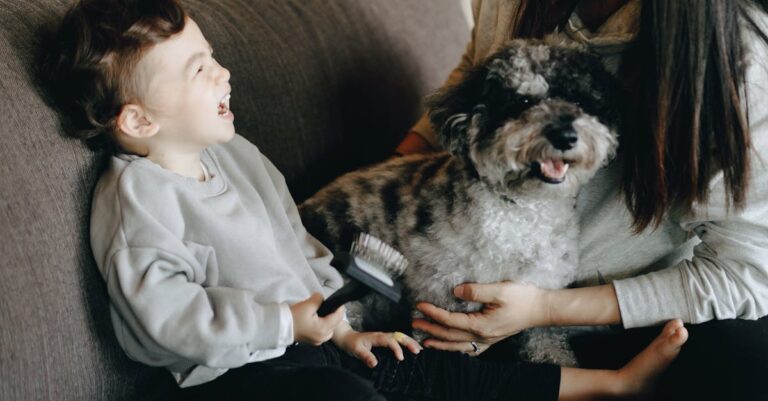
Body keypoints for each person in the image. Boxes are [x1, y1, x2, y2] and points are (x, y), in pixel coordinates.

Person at [36, 0, 692, 400]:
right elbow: (169, 318)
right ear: (139, 120)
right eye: (198, 68)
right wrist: (285, 323)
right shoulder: (140, 201)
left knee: (423, 367)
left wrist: (345, 327)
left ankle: (609, 385)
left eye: (212, 54)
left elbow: (296, 243)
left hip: (310, 339)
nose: (223, 71)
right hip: (236, 375)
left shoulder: (233, 154)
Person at [398, 0, 768, 399]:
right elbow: (475, 72)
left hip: (629, 312)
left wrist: (542, 309)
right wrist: (389, 177)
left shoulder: (741, 64)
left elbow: (745, 273)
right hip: (475, 279)